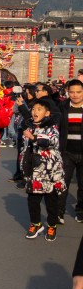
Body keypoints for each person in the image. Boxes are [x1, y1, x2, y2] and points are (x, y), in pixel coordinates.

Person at [21, 97, 65, 240]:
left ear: (47, 113)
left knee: (51, 202)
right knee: (32, 201)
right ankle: (36, 223)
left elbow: (51, 141)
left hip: (49, 172)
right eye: (33, 109)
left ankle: (52, 225)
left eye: (39, 109)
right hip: (33, 171)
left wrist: (34, 138)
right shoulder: (30, 126)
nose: (35, 112)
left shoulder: (52, 128)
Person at [58, 78, 83, 223]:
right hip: (67, 152)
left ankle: (80, 211)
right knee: (62, 184)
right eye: (72, 92)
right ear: (67, 92)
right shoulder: (62, 107)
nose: (75, 95)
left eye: (78, 92)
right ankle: (58, 212)